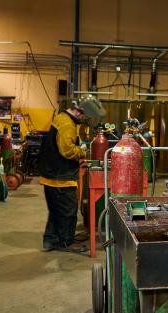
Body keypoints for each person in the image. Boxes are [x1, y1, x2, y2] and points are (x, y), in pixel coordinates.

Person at [39, 95, 106, 253]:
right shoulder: (67, 124)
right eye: (85, 116)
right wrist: (82, 151)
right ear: (78, 111)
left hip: (52, 175)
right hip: (60, 177)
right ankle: (67, 242)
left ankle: (51, 240)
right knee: (68, 211)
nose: (85, 119)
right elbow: (67, 151)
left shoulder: (62, 118)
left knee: (56, 210)